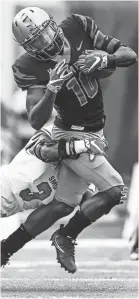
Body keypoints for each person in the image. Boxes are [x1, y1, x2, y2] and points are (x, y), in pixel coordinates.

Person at [11, 7, 137, 272]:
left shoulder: (78, 26)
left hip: (94, 130)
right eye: (37, 41)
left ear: (53, 24)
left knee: (62, 205)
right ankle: (65, 236)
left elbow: (129, 55)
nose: (46, 42)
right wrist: (51, 90)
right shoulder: (29, 66)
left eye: (46, 33)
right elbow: (35, 121)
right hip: (70, 133)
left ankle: (4, 250)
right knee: (114, 190)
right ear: (27, 47)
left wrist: (105, 61)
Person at [1, 124, 127, 273]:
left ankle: (6, 249)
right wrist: (77, 146)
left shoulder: (83, 172)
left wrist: (108, 198)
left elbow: (87, 203)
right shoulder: (56, 133)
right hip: (5, 189)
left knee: (64, 206)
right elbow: (43, 149)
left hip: (15, 204)